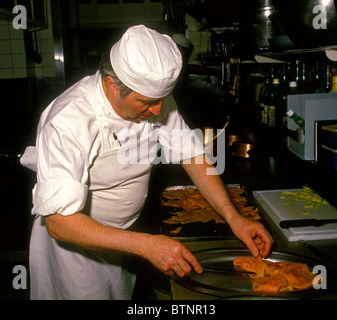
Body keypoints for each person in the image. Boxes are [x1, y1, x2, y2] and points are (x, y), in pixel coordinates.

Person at [20, 24, 273, 300]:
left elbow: (191, 154)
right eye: (146, 103)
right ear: (111, 85)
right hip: (74, 255)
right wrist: (146, 245)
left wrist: (234, 217)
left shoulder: (154, 101)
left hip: (124, 241)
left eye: (161, 100)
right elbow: (60, 223)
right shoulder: (68, 121)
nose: (158, 110)